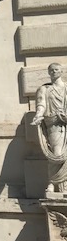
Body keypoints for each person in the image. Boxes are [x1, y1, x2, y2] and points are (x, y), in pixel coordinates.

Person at [31, 62, 67, 192]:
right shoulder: (44, 89)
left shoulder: (66, 88)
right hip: (53, 124)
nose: (54, 72)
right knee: (56, 154)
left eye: (56, 69)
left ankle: (64, 185)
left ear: (61, 72)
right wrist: (38, 115)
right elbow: (41, 105)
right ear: (48, 72)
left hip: (65, 122)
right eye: (51, 70)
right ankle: (52, 182)